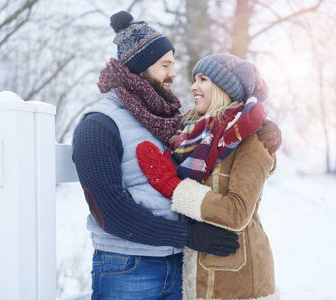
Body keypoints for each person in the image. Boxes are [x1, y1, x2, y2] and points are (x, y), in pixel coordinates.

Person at [72, 10, 282, 300]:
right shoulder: (99, 124)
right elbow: (109, 210)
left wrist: (260, 126)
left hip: (179, 267)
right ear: (141, 66)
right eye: (166, 65)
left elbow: (225, 133)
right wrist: (186, 236)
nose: (174, 73)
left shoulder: (165, 122)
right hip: (129, 269)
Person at [136, 53, 280, 299]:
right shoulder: (187, 134)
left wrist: (175, 188)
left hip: (238, 280)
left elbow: (237, 212)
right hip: (196, 276)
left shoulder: (249, 138)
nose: (193, 86)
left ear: (223, 88)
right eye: (194, 79)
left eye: (202, 79)